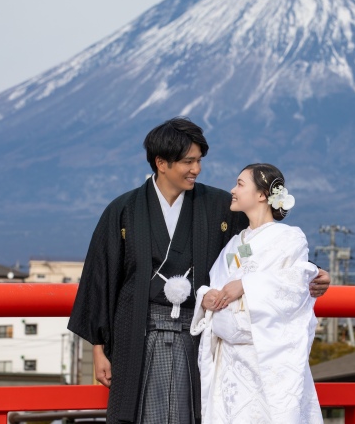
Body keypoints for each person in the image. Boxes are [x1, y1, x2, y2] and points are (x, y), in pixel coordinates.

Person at [67, 118, 329, 424]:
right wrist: (99, 349)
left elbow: (265, 242)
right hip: (138, 334)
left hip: (196, 334)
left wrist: (312, 271)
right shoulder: (123, 210)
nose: (196, 169)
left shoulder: (217, 206)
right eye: (188, 161)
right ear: (161, 162)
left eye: (199, 161)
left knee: (194, 411)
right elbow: (102, 278)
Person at [191, 163, 323, 424]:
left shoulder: (289, 238)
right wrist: (206, 296)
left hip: (265, 356)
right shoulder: (235, 243)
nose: (233, 190)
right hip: (230, 361)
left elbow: (296, 285)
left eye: (240, 184)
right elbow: (216, 283)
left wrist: (246, 285)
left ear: (262, 195)